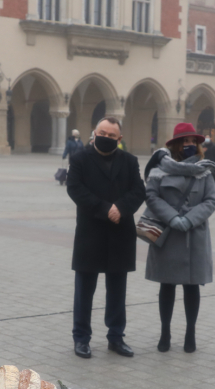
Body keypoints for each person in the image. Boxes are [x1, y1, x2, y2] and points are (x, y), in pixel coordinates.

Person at [66, 116, 146, 359]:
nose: (107, 137)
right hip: (90, 233)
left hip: (120, 233)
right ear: (94, 133)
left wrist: (120, 207)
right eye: (103, 133)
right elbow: (75, 188)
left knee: (117, 290)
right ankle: (81, 338)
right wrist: (104, 208)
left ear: (119, 139)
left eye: (112, 135)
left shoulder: (129, 160)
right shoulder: (80, 158)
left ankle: (116, 337)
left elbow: (139, 191)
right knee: (84, 290)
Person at [142, 123, 215, 353]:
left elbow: (211, 200)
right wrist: (173, 218)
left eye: (193, 142)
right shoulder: (159, 169)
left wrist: (190, 219)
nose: (189, 145)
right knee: (167, 285)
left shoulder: (204, 170)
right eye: (185, 141)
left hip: (194, 236)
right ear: (176, 144)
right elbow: (152, 196)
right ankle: (165, 332)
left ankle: (190, 332)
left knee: (192, 286)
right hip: (168, 235)